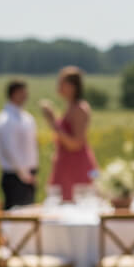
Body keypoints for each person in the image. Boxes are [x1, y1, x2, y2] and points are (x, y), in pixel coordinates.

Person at [40, 66, 98, 202]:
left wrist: (52, 121)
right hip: (66, 165)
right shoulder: (70, 107)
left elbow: (76, 144)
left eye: (61, 82)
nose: (58, 86)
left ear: (72, 86)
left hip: (78, 167)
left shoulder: (80, 109)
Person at [0, 79, 39, 208]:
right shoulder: (6, 119)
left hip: (28, 174)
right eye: (22, 92)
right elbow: (10, 150)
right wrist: (24, 174)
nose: (26, 96)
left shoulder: (26, 117)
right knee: (15, 218)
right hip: (15, 176)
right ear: (13, 93)